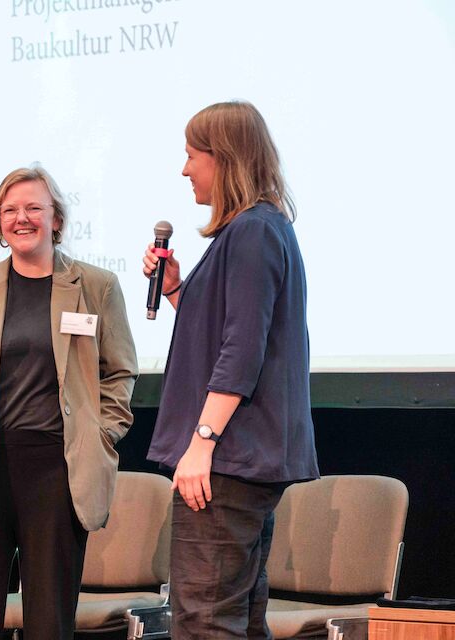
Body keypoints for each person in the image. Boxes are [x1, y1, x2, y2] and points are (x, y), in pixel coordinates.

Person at [0, 165, 138, 640]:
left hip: (57, 470)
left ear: (56, 220)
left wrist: (99, 434)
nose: (21, 218)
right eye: (10, 210)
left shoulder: (95, 286)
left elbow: (120, 372)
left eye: (33, 209)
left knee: (48, 621)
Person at [142, 101, 319, 639]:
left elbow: (242, 349)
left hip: (229, 456)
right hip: (240, 457)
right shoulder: (257, 229)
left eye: (192, 155)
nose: (185, 168)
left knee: (204, 620)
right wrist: (175, 289)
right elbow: (225, 332)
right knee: (236, 618)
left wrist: (202, 441)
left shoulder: (252, 231)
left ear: (224, 158)